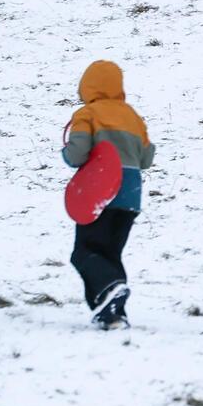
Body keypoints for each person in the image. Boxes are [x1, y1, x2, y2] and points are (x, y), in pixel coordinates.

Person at [64, 59, 156, 330]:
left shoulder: (87, 114)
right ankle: (113, 315)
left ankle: (109, 290)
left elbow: (77, 154)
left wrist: (67, 154)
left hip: (100, 192)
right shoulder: (132, 116)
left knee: (84, 252)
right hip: (130, 196)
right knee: (110, 253)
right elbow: (147, 158)